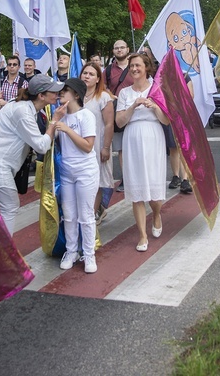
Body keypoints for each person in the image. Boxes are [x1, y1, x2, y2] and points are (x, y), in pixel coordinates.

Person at [0, 74, 66, 235]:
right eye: (54, 91)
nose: (57, 94)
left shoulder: (24, 106)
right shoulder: (23, 111)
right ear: (41, 95)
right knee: (9, 206)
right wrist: (54, 121)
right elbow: (41, 146)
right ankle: (4, 253)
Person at [115, 53, 169, 252]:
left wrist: (154, 105)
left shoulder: (157, 88)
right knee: (137, 191)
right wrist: (133, 105)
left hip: (153, 135)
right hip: (132, 138)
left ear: (146, 67)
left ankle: (156, 214)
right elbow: (119, 122)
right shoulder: (124, 93)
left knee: (154, 192)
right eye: (131, 66)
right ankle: (142, 235)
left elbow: (166, 120)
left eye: (138, 65)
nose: (134, 69)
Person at [55, 78, 98, 274]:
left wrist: (67, 130)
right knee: (69, 215)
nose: (61, 93)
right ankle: (71, 251)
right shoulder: (61, 117)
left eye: (65, 90)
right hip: (66, 172)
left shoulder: (86, 115)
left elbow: (88, 147)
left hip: (85, 171)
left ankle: (89, 254)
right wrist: (56, 120)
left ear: (76, 95)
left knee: (86, 215)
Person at [79, 63, 114, 224]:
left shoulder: (103, 97)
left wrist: (106, 147)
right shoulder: (76, 96)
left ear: (98, 78)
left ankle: (92, 213)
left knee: (96, 180)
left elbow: (108, 124)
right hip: (79, 145)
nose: (86, 76)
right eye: (84, 73)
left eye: (91, 74)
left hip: (98, 144)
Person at [105, 40, 134, 192]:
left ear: (127, 49)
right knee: (122, 148)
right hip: (119, 112)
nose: (119, 50)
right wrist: (111, 95)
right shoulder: (109, 70)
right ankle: (125, 178)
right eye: (116, 48)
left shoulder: (135, 66)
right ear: (113, 51)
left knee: (136, 146)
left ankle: (137, 177)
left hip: (137, 111)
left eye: (122, 47)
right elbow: (102, 88)